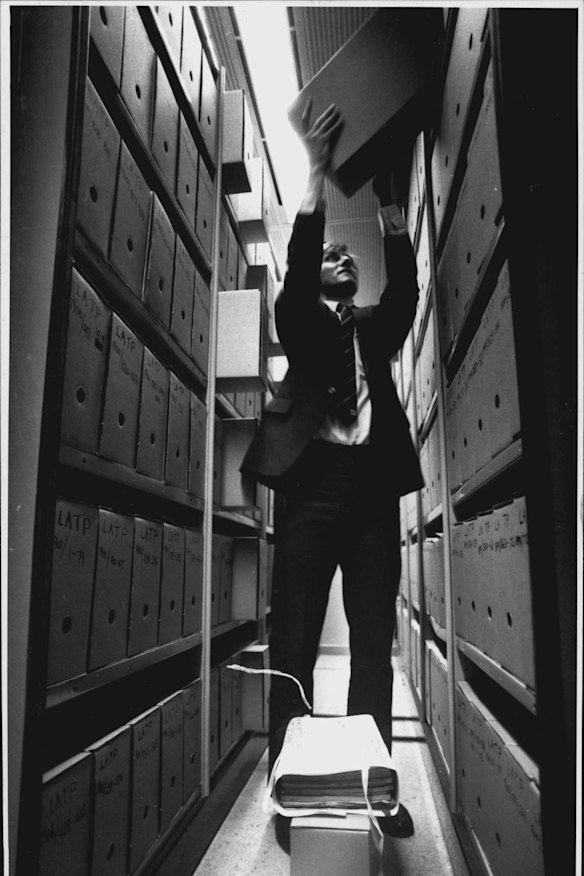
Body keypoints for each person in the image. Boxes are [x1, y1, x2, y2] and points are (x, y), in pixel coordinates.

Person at [241, 99, 423, 837]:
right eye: (330, 259)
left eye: (348, 259)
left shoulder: (374, 331)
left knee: (372, 647)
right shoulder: (305, 328)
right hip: (312, 491)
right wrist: (317, 171)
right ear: (315, 282)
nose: (341, 261)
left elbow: (406, 295)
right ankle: (296, 790)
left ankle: (374, 791)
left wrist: (388, 208)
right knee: (294, 645)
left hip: (373, 497)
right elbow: (292, 284)